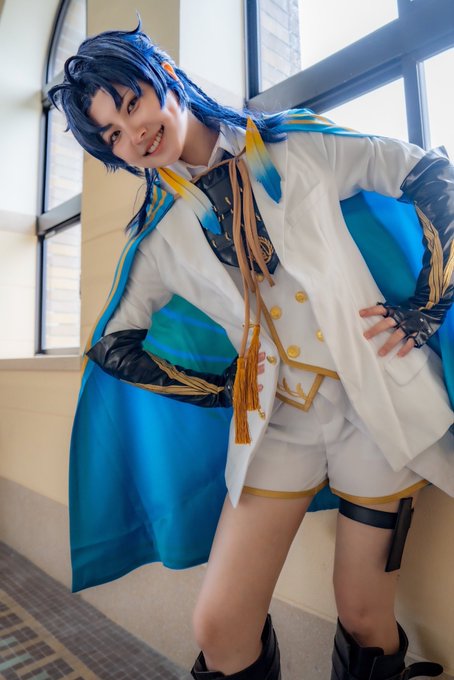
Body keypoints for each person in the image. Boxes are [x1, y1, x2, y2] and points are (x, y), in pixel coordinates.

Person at [50, 22, 454, 680]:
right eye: (113, 136)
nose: (133, 134)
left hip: (377, 408)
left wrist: (427, 304)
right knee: (219, 625)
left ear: (165, 75)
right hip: (274, 424)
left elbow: (431, 174)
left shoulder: (297, 147)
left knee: (364, 615)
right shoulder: (161, 234)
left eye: (131, 104)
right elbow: (113, 343)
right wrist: (217, 388)